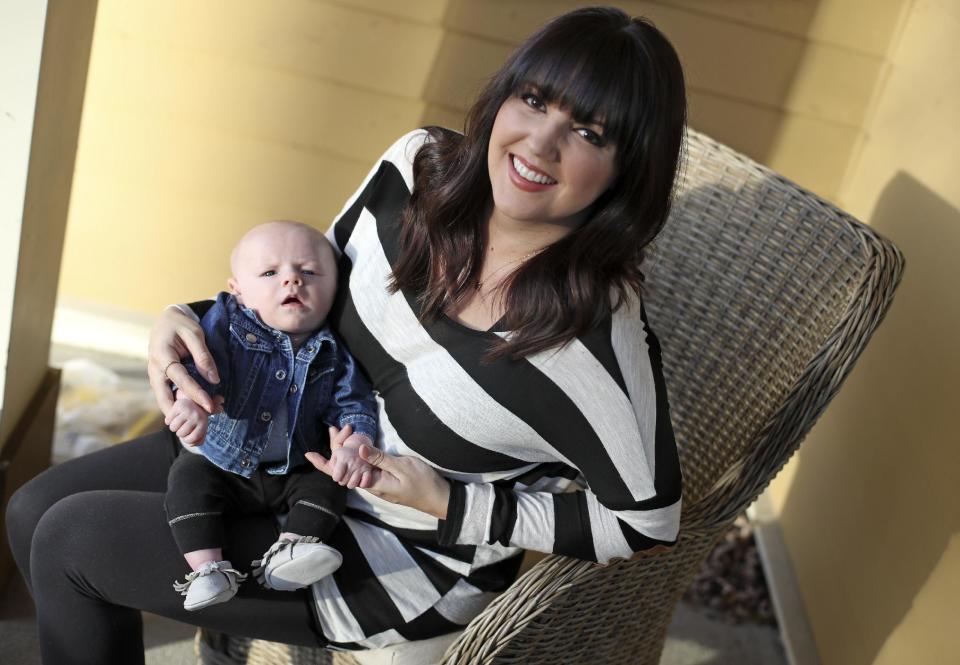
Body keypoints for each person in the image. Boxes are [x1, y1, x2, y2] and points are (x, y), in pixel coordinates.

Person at [5, 7, 685, 664]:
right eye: (534, 101)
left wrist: (452, 502)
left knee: (73, 541)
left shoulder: (593, 344)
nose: (540, 144)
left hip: (382, 551)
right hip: (274, 436)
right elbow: (300, 295)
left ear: (630, 173)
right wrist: (182, 315)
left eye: (590, 133)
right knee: (32, 508)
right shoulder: (413, 172)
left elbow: (645, 524)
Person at [162, 221, 379, 611]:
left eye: (309, 272)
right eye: (270, 272)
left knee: (329, 483)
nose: (292, 280)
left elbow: (352, 404)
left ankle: (291, 552)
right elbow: (202, 366)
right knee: (187, 477)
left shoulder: (334, 350)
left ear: (335, 288)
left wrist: (355, 444)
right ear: (238, 291)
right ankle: (208, 569)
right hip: (222, 462)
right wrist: (190, 402)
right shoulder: (227, 325)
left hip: (295, 465)